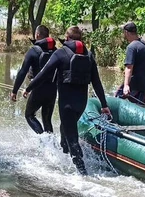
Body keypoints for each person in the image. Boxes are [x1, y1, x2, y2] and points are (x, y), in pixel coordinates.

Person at [23, 26, 112, 175]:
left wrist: (29, 88)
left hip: (67, 105)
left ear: (67, 38)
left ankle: (83, 175)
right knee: (65, 130)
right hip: (81, 104)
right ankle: (63, 159)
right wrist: (104, 105)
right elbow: (97, 83)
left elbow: (44, 74)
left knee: (72, 139)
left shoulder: (60, 53)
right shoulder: (89, 55)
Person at [11, 25, 57, 134]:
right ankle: (52, 145)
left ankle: (44, 141)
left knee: (29, 115)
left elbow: (22, 72)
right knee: (47, 120)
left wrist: (14, 91)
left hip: (38, 89)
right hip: (53, 90)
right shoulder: (56, 51)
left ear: (37, 35)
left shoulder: (33, 51)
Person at [115, 22, 145, 105]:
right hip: (144, 84)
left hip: (133, 84)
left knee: (117, 100)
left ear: (126, 32)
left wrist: (126, 85)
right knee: (140, 108)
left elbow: (129, 67)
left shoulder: (131, 47)